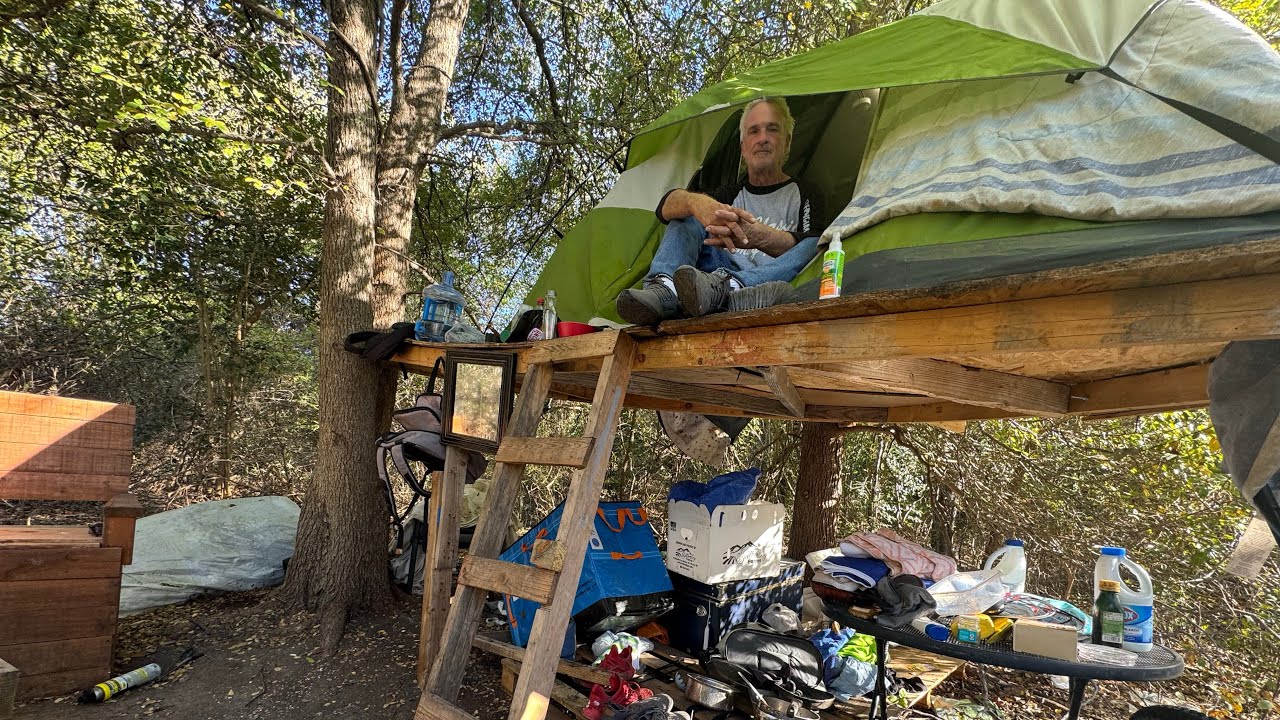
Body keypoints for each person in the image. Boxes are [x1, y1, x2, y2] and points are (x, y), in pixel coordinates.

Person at [616, 97, 823, 325]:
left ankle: (730, 288)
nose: (762, 139)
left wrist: (760, 237)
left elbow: (812, 251)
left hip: (766, 287)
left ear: (788, 142)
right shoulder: (731, 194)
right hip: (709, 284)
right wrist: (698, 204)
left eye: (772, 129)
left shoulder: (806, 192)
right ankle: (664, 289)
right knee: (687, 207)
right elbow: (664, 207)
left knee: (817, 243)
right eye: (753, 131)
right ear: (743, 148)